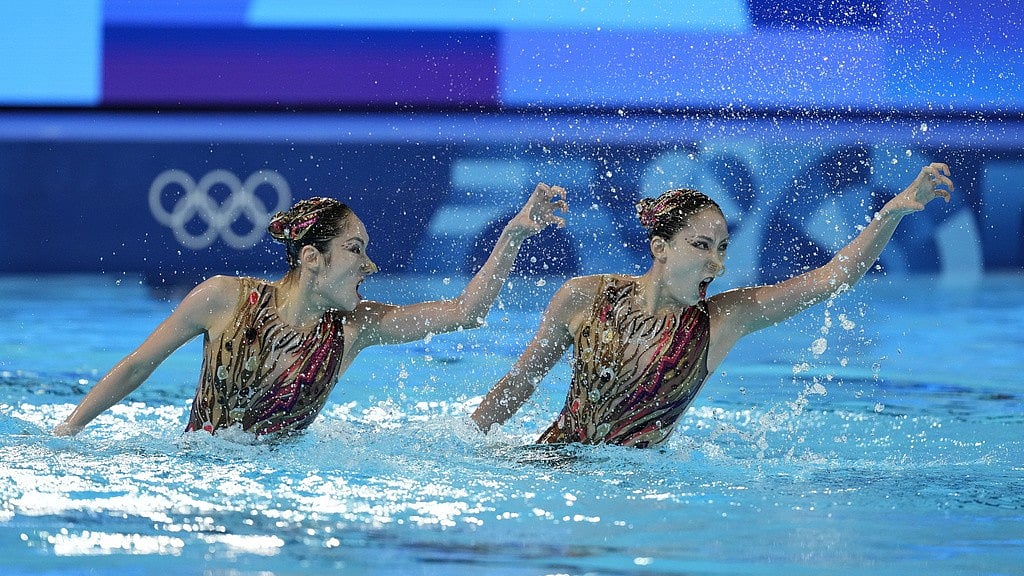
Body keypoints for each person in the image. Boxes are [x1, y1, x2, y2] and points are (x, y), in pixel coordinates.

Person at [471, 163, 954, 448]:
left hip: (636, 494)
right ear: (660, 248)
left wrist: (892, 212)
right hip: (552, 466)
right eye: (702, 246)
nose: (717, 265)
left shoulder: (723, 319)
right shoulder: (583, 296)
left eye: (723, 249)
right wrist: (467, 447)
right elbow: (519, 383)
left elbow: (831, 278)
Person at [54, 183, 568, 437]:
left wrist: (515, 233)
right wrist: (68, 432)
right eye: (356, 249)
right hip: (198, 472)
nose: (370, 265)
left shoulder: (355, 329)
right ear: (311, 258)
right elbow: (139, 364)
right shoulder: (224, 297)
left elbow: (466, 311)